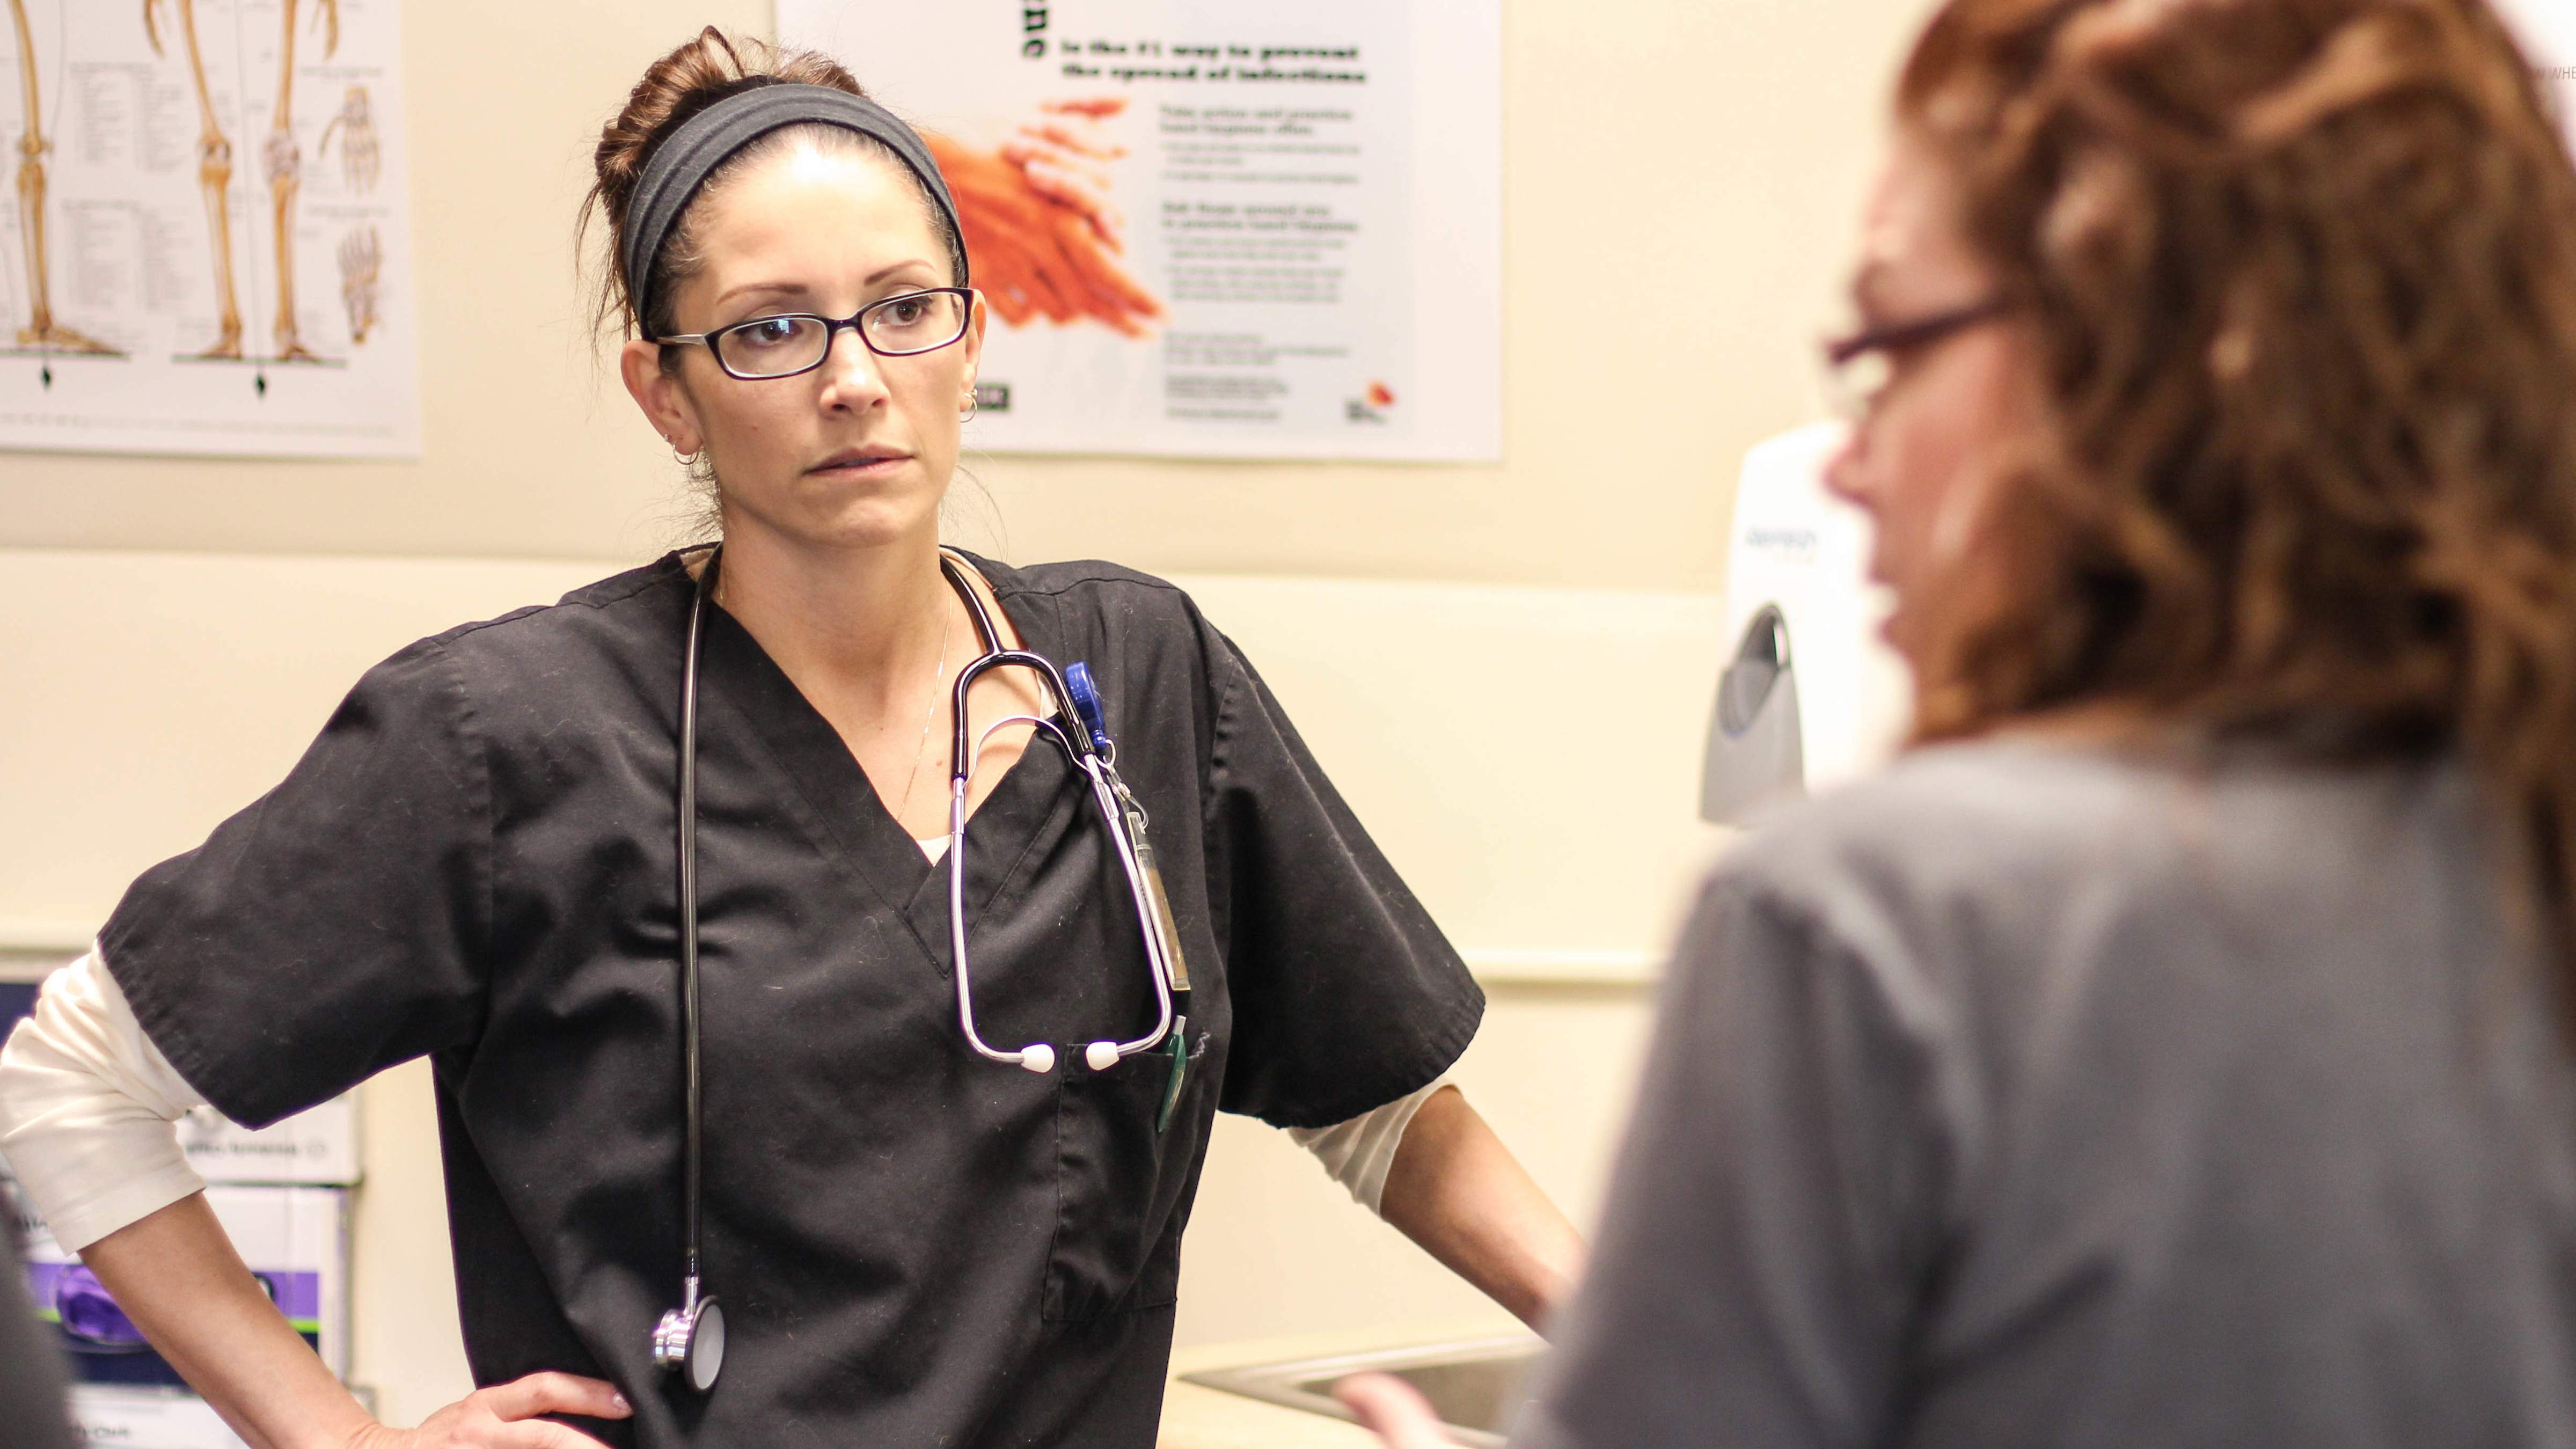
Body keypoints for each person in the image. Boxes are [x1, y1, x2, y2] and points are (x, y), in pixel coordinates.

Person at [0, 29, 1580, 1449]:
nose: (852, 382)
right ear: (666, 394)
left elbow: (1376, 1104)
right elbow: (69, 1082)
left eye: (904, 310)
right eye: (768, 331)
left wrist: (1658, 1350)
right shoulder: (508, 739)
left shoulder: (1141, 675)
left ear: (971, 340)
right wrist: (338, 1440)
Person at [1340, 0, 2576, 1444]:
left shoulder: (1878, 920)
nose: (1848, 461)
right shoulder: (2515, 852)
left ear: (2132, 363)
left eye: (1892, 346)